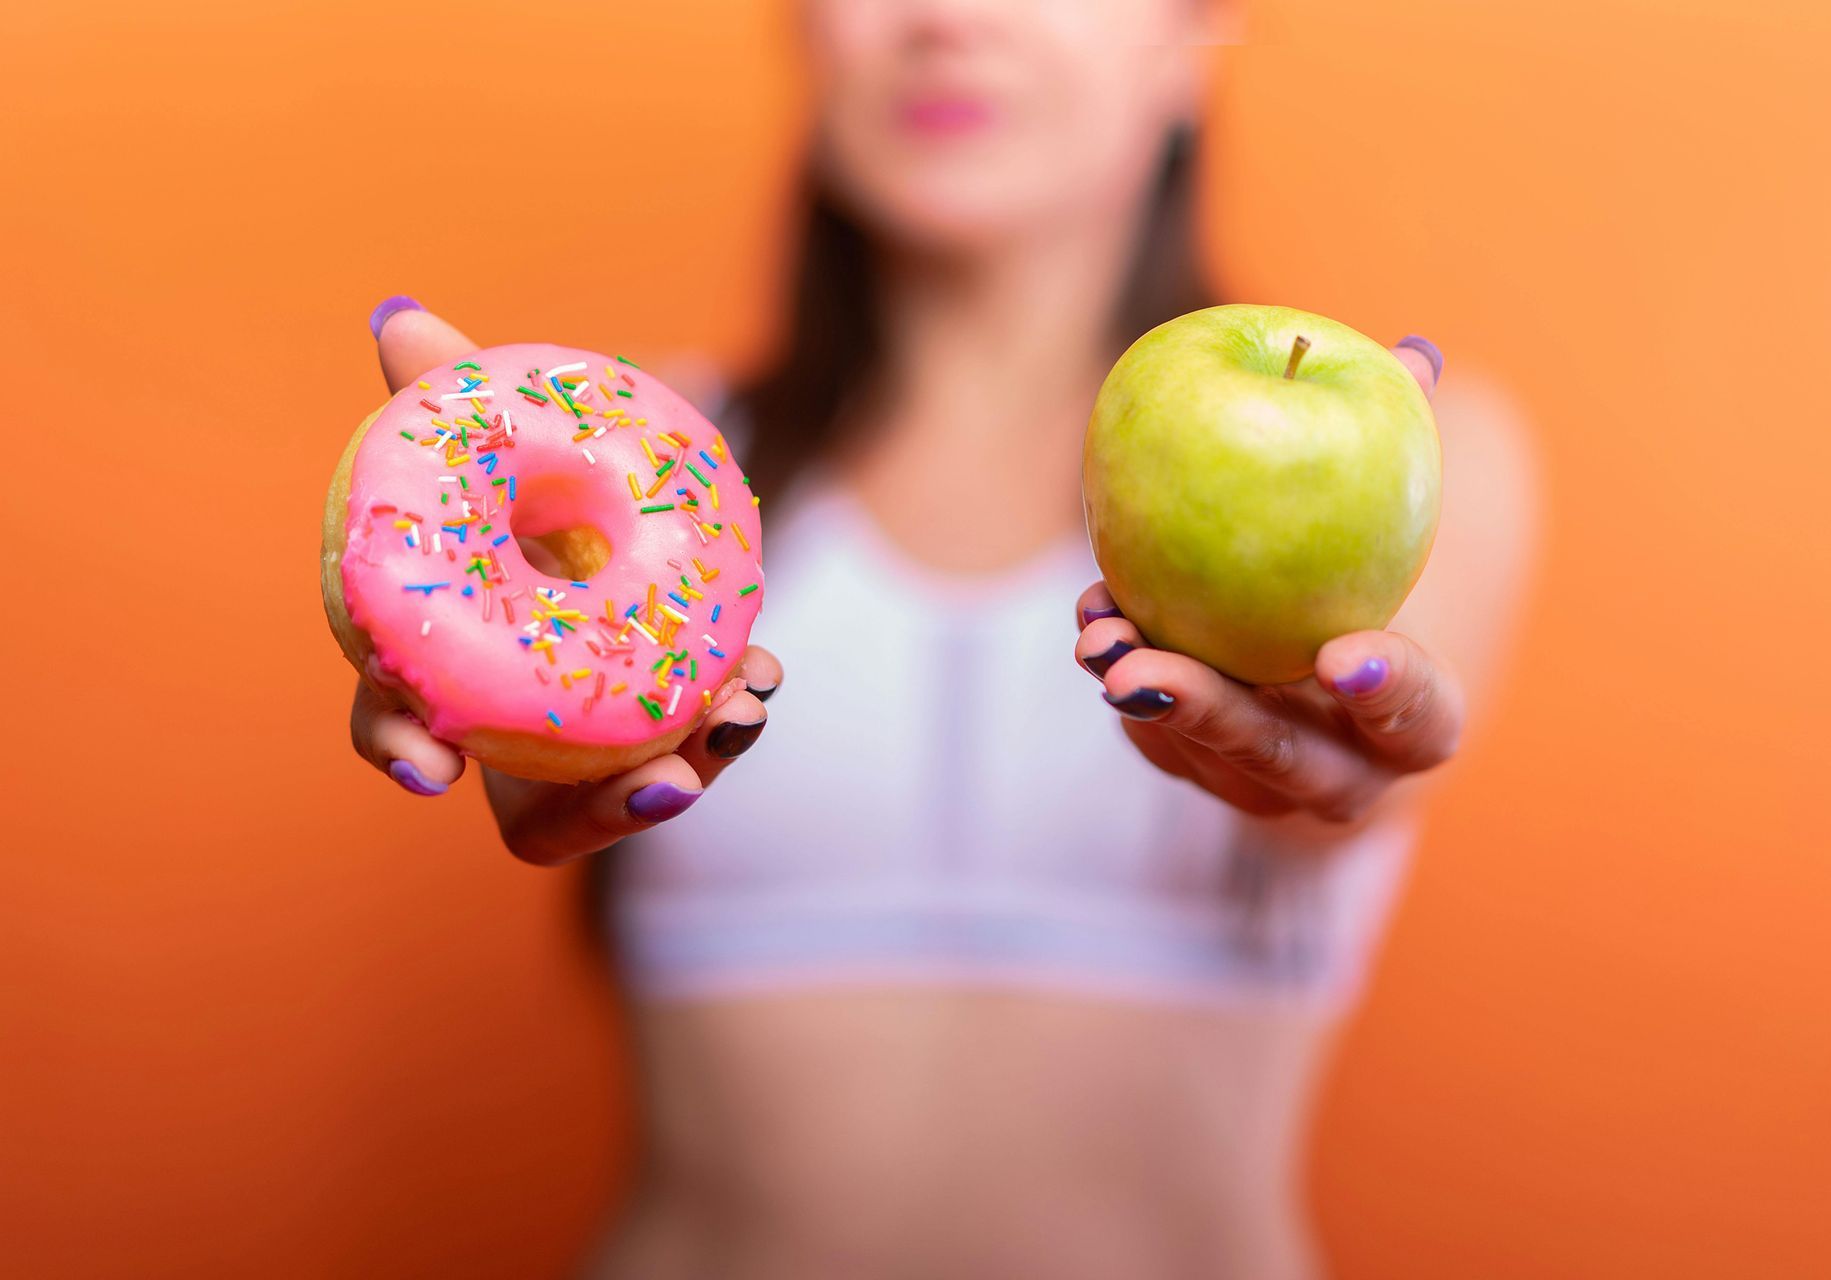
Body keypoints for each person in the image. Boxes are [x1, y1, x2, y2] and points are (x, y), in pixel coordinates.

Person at [349, 1, 1535, 1275]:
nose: (946, 17)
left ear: (1198, 31)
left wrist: (1307, 771)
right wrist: (488, 666)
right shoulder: (641, 464)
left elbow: (1329, 795)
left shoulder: (1427, 457)